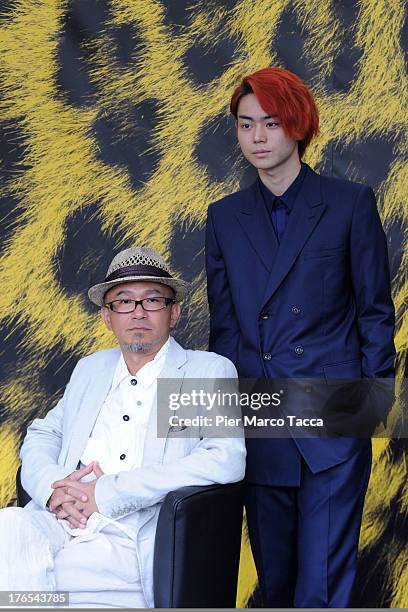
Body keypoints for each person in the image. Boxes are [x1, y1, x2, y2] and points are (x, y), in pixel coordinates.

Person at [205, 67, 395, 607]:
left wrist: (370, 405)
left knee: (322, 588)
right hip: (259, 417)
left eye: (271, 122)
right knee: (278, 582)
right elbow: (225, 329)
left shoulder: (350, 202)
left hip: (333, 416)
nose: (258, 137)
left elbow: (375, 312)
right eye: (246, 125)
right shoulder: (223, 217)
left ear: (298, 125)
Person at [0, 246, 246, 608]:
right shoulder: (91, 368)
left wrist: (107, 493)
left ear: (174, 312)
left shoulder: (202, 370)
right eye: (124, 301)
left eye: (152, 300)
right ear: (107, 317)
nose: (138, 313)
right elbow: (43, 433)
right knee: (9, 527)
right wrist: (56, 490)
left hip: (130, 533)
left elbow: (223, 457)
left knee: (27, 583)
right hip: (60, 520)